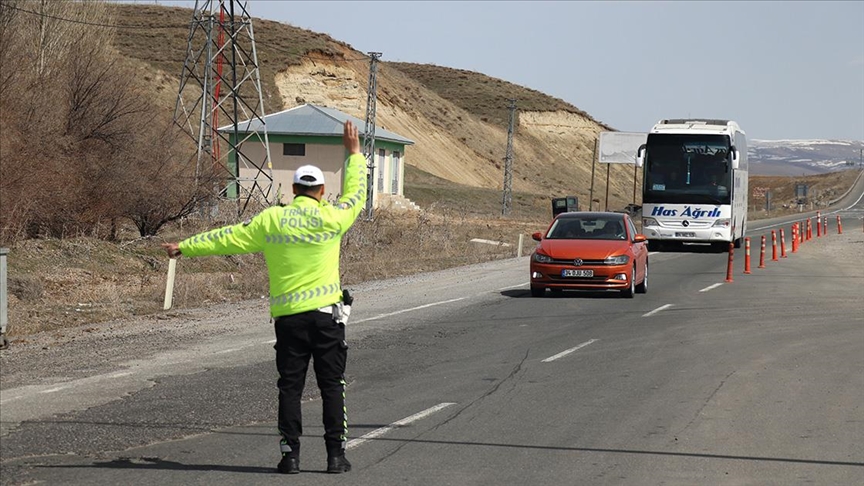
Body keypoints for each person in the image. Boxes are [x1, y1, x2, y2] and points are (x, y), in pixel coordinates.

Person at [161, 121, 366, 475]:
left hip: (289, 320)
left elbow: (228, 237)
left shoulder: (272, 220)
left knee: (290, 388)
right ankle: (336, 456)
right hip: (327, 318)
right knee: (332, 386)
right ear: (320, 191)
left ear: (292, 189)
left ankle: (290, 456)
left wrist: (185, 247)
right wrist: (354, 155)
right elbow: (356, 194)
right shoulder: (333, 218)